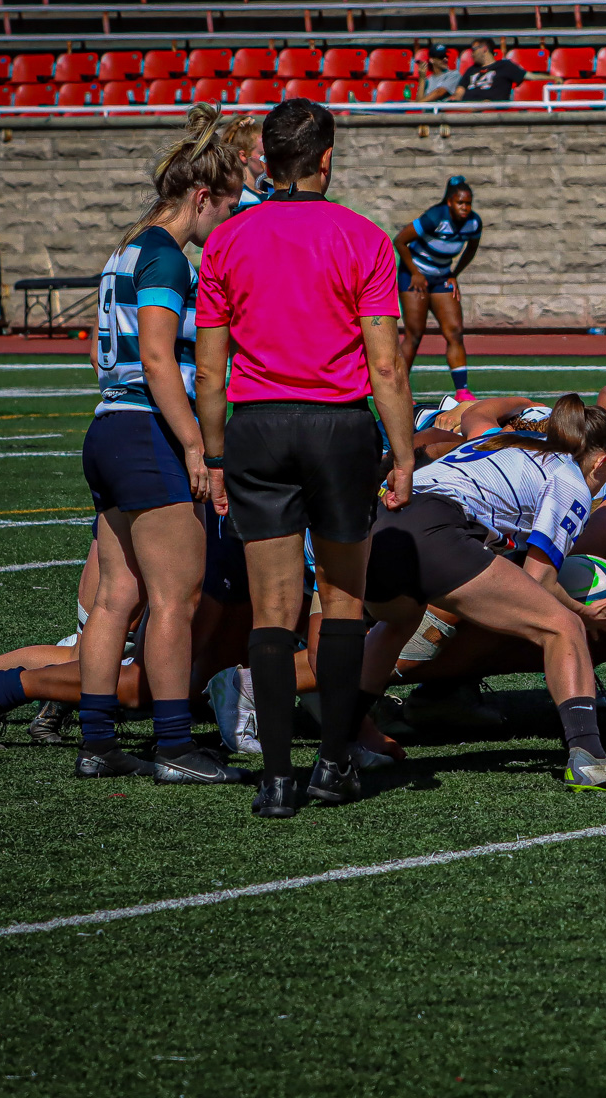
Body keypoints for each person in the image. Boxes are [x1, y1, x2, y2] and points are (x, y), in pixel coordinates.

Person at [0, 106, 247, 783]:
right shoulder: (166, 258)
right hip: (147, 429)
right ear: (200, 197)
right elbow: (155, 357)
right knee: (175, 597)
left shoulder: (126, 248)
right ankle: (175, 746)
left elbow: (104, 359)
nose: (228, 223)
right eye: (228, 208)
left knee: (118, 595)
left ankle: (97, 741)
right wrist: (198, 447)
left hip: (108, 427)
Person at [194, 97, 416, 819]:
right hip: (337, 427)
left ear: (267, 157)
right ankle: (333, 765)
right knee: (343, 600)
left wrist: (215, 453)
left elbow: (208, 370)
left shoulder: (228, 239)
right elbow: (387, 365)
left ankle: (278, 781)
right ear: (326, 158)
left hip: (256, 426)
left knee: (273, 609)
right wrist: (405, 452)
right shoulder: (363, 237)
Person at [356, 396, 606, 791]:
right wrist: (582, 613)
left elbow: (477, 413)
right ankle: (590, 758)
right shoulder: (569, 479)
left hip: (377, 526)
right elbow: (540, 578)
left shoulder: (500, 439)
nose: (603, 482)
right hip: (436, 528)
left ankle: (348, 739)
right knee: (561, 627)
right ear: (601, 461)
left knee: (397, 622)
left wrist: (522, 401)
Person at [394, 176, 482, 401]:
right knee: (414, 334)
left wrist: (454, 273)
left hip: (441, 276)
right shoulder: (435, 217)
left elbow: (471, 249)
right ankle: (400, 388)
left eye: (468, 203)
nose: (465, 208)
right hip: (414, 276)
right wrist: (415, 272)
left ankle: (462, 390)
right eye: (460, 203)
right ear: (450, 202)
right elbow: (400, 241)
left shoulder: (473, 223)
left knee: (455, 331)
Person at [452, 38, 540, 104]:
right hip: (467, 107)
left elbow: (531, 76)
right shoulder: (471, 70)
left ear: (484, 48)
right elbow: (459, 92)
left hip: (491, 106)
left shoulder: (504, 65)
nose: (472, 54)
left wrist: (553, 78)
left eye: (474, 50)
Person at [219, 114, 271, 213]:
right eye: (263, 153)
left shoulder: (275, 192)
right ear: (243, 156)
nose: (270, 159)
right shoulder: (235, 199)